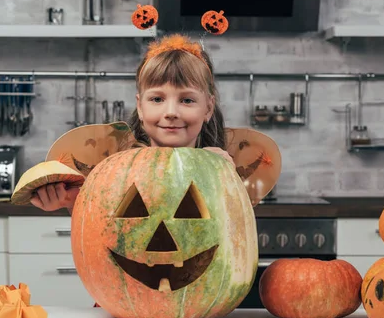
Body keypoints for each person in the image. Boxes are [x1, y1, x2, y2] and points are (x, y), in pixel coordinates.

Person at [30, 34, 234, 214]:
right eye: (157, 99)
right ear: (140, 107)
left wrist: (228, 184)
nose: (171, 112)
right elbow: (97, 233)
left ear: (208, 108)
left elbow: (235, 238)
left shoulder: (222, 169)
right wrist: (67, 200)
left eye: (187, 100)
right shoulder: (114, 177)